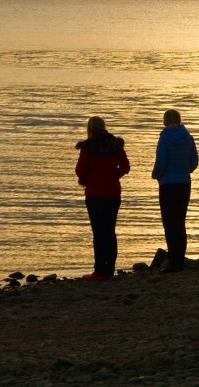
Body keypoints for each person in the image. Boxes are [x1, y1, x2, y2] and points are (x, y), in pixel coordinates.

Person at [74, 116, 130, 281]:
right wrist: (114, 176)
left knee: (98, 233)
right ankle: (109, 270)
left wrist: (87, 180)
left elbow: (80, 170)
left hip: (94, 194)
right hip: (113, 193)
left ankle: (99, 271)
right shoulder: (115, 144)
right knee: (110, 232)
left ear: (89, 129)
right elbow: (126, 166)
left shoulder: (87, 146)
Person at [151, 108, 199, 273]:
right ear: (179, 120)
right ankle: (179, 259)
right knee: (180, 222)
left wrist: (155, 175)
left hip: (168, 185)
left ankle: (173, 260)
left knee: (169, 223)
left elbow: (161, 163)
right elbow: (194, 162)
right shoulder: (188, 137)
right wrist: (184, 171)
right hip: (184, 183)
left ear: (165, 121)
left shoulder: (164, 138)